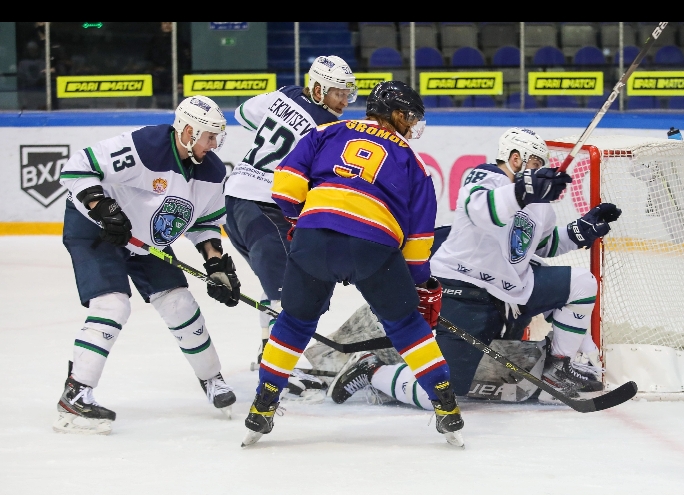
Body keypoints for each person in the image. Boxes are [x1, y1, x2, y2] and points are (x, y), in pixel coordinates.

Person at [329, 127, 621, 410]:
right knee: (440, 392)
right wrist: (524, 192)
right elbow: (482, 210)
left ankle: (558, 370)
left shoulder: (540, 205)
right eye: (534, 163)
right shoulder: (485, 177)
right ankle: (371, 370)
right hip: (464, 292)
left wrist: (580, 230)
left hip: (513, 290)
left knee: (582, 283)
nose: (539, 170)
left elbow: (541, 245)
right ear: (515, 158)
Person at [241, 81, 465, 448]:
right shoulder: (414, 162)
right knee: (406, 325)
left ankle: (262, 405)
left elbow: (284, 186)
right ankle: (446, 404)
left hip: (315, 236)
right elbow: (419, 239)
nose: (412, 125)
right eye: (409, 117)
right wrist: (415, 284)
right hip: (373, 245)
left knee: (293, 322)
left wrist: (304, 221)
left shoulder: (327, 131)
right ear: (394, 114)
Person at [54, 95, 242, 434]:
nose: (215, 144)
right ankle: (75, 394)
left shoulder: (212, 172)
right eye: (210, 136)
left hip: (144, 239)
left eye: (218, 136)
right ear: (188, 131)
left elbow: (204, 222)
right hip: (97, 229)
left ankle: (211, 379)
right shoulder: (145, 146)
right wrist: (102, 208)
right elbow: (77, 166)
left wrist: (215, 264)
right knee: (112, 305)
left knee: (180, 304)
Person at [223, 55, 357, 368]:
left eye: (347, 93)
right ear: (319, 90)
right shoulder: (328, 128)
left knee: (278, 285)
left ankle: (268, 351)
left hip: (235, 202)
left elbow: (243, 113)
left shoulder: (287, 94)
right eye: (338, 93)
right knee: (289, 290)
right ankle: (278, 365)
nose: (344, 100)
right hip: (265, 207)